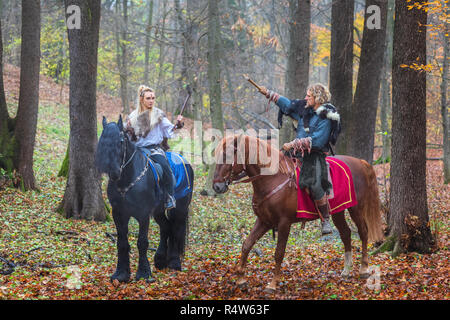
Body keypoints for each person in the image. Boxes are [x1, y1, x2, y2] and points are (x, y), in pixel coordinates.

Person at [259, 83, 341, 235]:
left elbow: (318, 140)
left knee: (316, 183)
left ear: (317, 98)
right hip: (297, 154)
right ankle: (278, 213)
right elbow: (288, 105)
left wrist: (294, 143)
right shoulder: (306, 111)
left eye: (309, 96)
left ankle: (325, 219)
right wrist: (268, 93)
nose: (305, 98)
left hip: (314, 155)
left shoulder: (327, 116)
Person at [124, 85, 184, 210]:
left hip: (154, 150)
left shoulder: (158, 114)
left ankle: (169, 196)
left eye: (153, 98)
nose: (151, 100)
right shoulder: (132, 116)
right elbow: (128, 137)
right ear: (142, 100)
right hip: (137, 150)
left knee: (165, 167)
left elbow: (170, 130)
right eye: (148, 98)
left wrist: (178, 124)